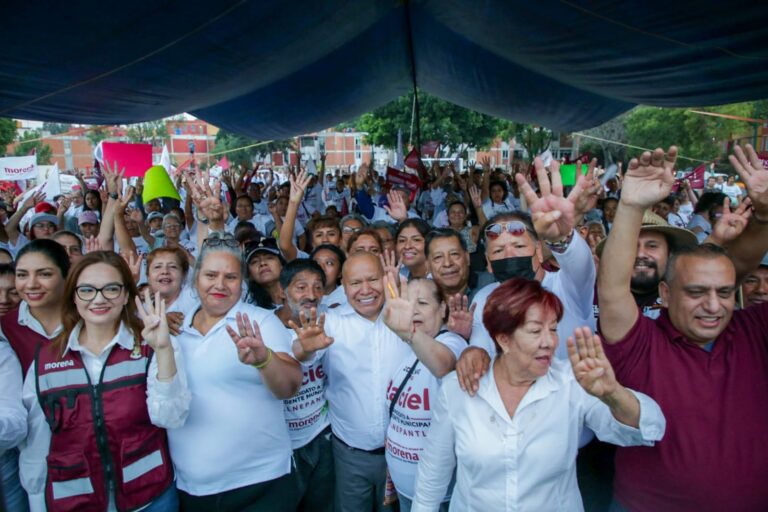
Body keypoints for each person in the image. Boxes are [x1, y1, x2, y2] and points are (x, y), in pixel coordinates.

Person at [597, 144, 768, 510]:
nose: (712, 306)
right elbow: (611, 290)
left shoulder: (755, 332)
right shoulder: (642, 342)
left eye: (724, 292)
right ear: (666, 292)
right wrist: (629, 207)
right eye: (695, 292)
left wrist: (766, 213)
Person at [412, 278, 664, 511]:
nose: (550, 342)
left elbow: (648, 427)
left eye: (553, 329)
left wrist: (613, 393)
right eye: (535, 331)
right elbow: (433, 473)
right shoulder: (460, 387)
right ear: (503, 339)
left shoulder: (571, 383)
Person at [23, 251, 189, 511]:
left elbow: (170, 418)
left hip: (149, 497)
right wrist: (37, 501)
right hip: (74, 501)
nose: (99, 299)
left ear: (125, 296)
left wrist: (164, 350)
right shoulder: (46, 359)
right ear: (74, 297)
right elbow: (37, 441)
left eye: (111, 288)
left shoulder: (151, 345)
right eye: (87, 290)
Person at [170, 232, 302, 511]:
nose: (220, 284)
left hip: (262, 484)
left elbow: (289, 386)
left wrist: (264, 359)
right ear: (196, 280)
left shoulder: (259, 321)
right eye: (211, 275)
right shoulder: (175, 327)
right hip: (192, 490)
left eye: (230, 277)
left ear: (241, 284)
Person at [291, 253, 413, 512]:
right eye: (355, 283)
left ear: (385, 279)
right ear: (342, 287)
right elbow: (303, 354)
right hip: (350, 455)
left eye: (373, 279)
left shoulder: (405, 316)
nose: (365, 290)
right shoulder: (330, 321)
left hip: (406, 455)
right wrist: (304, 349)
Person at [382, 277, 466, 511]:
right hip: (404, 488)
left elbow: (443, 365)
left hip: (439, 497)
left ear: (442, 309)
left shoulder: (453, 341)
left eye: (422, 303)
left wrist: (408, 331)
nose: (412, 309)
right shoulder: (402, 345)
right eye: (407, 302)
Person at [277, 260, 334, 512]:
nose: (311, 295)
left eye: (318, 287)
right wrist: (304, 352)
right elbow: (300, 353)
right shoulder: (266, 328)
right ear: (282, 291)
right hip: (283, 446)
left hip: (322, 437)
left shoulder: (330, 322)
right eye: (301, 287)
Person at [593, 210, 697, 320]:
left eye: (652, 246)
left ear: (670, 254)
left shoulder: (684, 300)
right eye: (631, 246)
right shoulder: (591, 296)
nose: (640, 254)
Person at [245, 238, 286, 309]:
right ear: (250, 275)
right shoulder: (249, 308)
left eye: (269, 258)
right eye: (255, 261)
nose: (262, 263)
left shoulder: (299, 296)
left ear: (281, 265)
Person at [311, 244, 347, 309]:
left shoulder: (348, 297)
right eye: (316, 263)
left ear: (340, 272)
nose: (321, 268)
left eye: (329, 263)